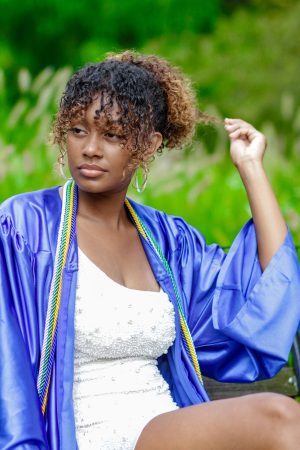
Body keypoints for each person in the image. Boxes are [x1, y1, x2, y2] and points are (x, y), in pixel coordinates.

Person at [0, 50, 300, 450]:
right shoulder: (26, 227)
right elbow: (7, 360)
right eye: (77, 130)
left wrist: (251, 169)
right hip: (84, 434)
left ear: (147, 144)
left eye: (113, 135)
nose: (90, 148)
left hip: (162, 426)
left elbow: (266, 291)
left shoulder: (167, 242)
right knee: (279, 416)